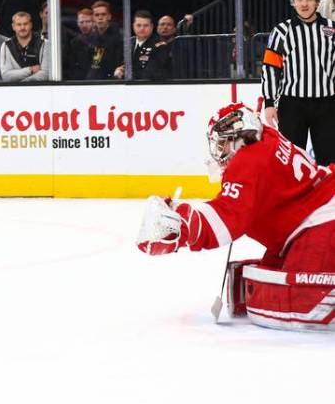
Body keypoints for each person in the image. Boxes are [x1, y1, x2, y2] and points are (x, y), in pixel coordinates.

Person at [136, 102, 335, 331]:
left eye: (222, 143)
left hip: (323, 221)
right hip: (312, 217)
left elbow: (226, 219)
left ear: (239, 137)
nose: (219, 151)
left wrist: (182, 224)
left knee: (305, 297)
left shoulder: (248, 161)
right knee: (274, 268)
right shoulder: (266, 136)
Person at [262, 0, 335, 165]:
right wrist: (269, 103)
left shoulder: (331, 29)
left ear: (317, 1)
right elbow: (271, 68)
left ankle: (330, 194)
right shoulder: (281, 31)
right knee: (292, 161)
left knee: (330, 159)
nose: (304, 3)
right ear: (292, 1)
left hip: (327, 104)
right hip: (292, 105)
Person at [114, 10, 167, 80]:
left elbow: (151, 74)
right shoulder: (127, 44)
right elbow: (121, 64)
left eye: (146, 25)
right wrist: (119, 70)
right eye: (139, 25)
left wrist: (125, 74)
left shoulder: (159, 46)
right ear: (133, 26)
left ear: (151, 27)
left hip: (149, 87)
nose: (142, 28)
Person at [0, 11, 49, 82]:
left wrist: (23, 83)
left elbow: (45, 74)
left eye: (25, 24)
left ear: (31, 25)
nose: (22, 27)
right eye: (19, 24)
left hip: (38, 91)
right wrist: (30, 70)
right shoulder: (6, 45)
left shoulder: (44, 43)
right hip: (14, 92)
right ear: (13, 27)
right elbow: (6, 76)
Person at [85, 0, 123, 80]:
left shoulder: (119, 38)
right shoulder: (90, 38)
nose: (100, 18)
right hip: (92, 81)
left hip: (111, 82)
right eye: (97, 15)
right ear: (93, 18)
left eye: (103, 14)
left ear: (109, 16)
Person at [64, 7, 95, 80]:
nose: (84, 25)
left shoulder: (101, 40)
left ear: (94, 22)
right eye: (81, 22)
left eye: (88, 22)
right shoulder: (73, 43)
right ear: (77, 23)